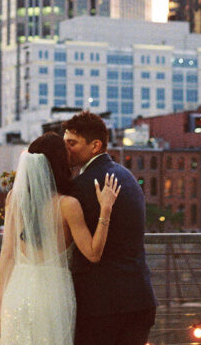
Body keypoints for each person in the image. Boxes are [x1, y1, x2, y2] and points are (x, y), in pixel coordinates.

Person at [0, 131, 120, 345]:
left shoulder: (14, 200)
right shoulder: (68, 205)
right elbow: (93, 254)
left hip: (17, 292)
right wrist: (105, 209)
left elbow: (6, 256)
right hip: (54, 295)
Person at [64, 111, 157, 345]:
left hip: (101, 307)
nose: (66, 150)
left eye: (72, 143)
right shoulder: (128, 177)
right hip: (140, 299)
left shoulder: (80, 187)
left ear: (95, 145)